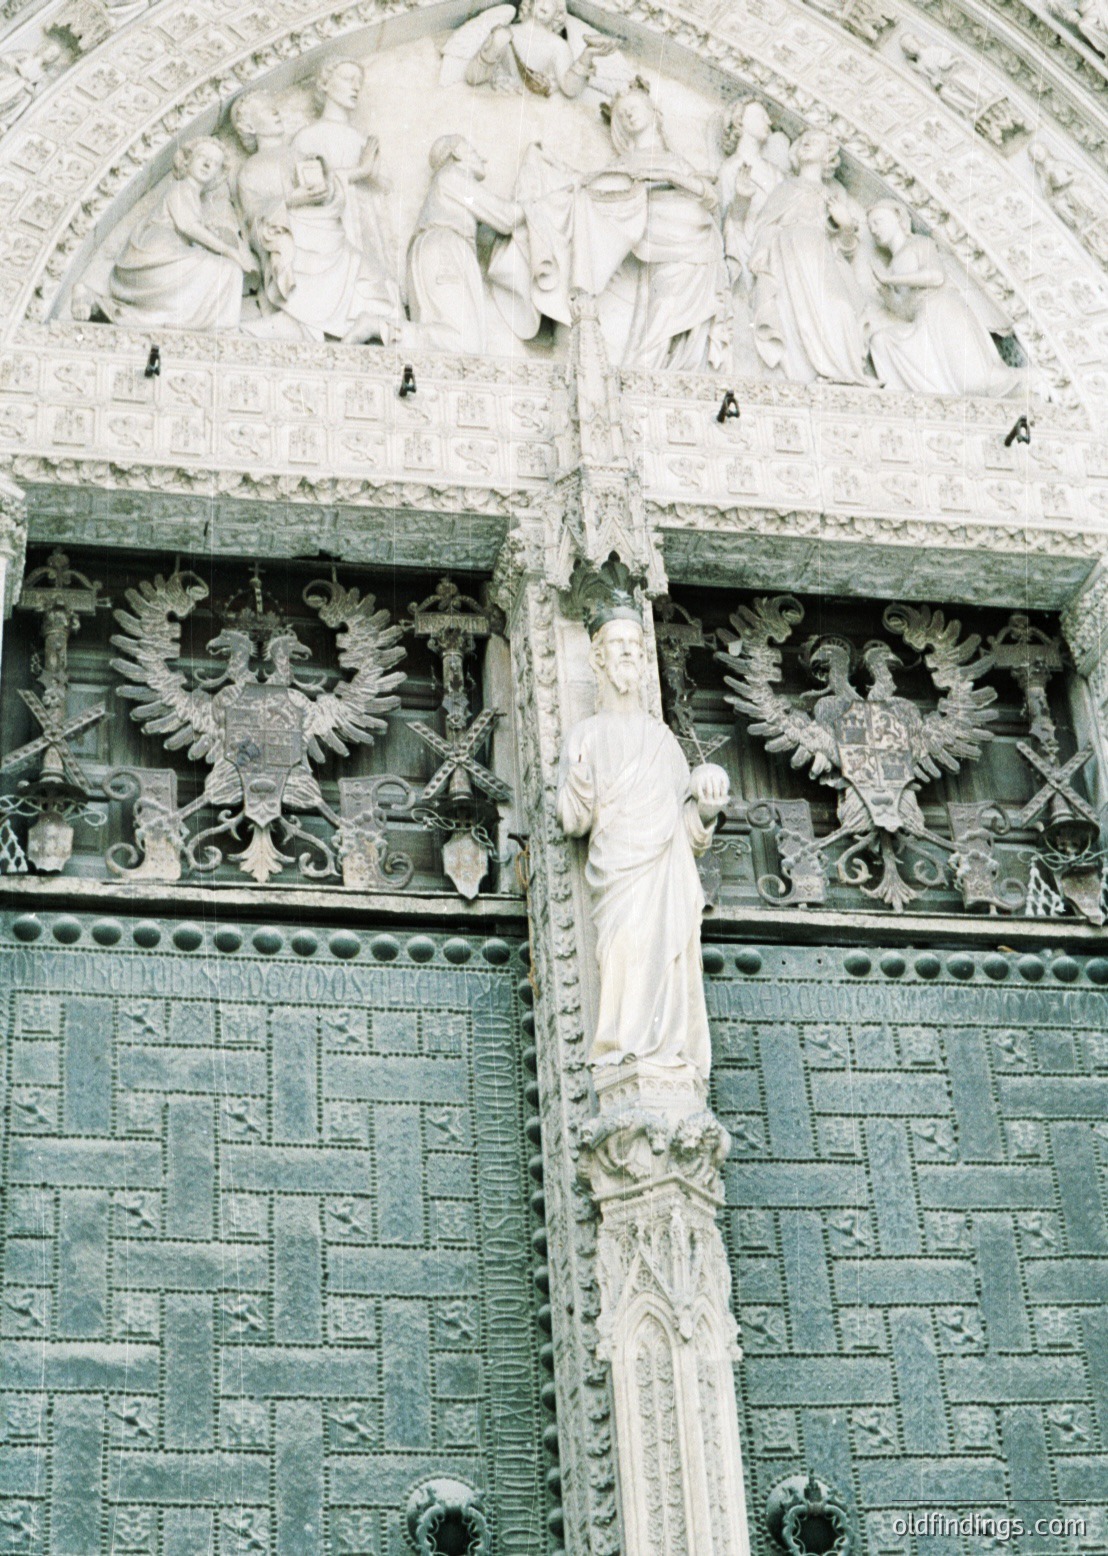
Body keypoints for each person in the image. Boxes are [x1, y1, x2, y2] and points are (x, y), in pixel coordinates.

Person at [556, 589, 730, 1078]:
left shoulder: (662, 739)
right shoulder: (585, 734)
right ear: (597, 657)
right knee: (625, 948)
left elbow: (688, 830)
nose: (630, 651)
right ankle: (625, 1051)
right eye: (618, 643)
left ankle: (663, 1056)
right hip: (618, 874)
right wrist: (580, 778)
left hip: (664, 872)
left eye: (636, 642)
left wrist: (708, 809)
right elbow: (572, 820)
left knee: (665, 958)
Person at [231, 89, 398, 344]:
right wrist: (294, 200)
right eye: (265, 109)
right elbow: (254, 218)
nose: (275, 111)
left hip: (328, 234)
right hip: (295, 241)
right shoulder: (252, 169)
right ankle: (297, 323)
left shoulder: (299, 154)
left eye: (274, 106)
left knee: (371, 275)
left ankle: (351, 327)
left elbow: (331, 181)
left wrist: (356, 173)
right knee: (311, 276)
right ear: (247, 125)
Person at [601, 80, 729, 371]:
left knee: (684, 319)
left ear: (653, 111)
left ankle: (674, 370)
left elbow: (710, 199)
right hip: (660, 245)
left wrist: (671, 176)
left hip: (697, 245)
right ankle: (645, 372)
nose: (629, 115)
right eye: (622, 114)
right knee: (664, 306)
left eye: (634, 108)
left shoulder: (675, 161)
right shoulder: (622, 163)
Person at [748, 127, 869, 384]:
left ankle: (842, 372)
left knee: (842, 309)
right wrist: (762, 251)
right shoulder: (786, 187)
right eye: (803, 140)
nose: (806, 142)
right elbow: (766, 224)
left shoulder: (834, 194)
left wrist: (846, 224)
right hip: (788, 253)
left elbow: (846, 246)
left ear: (828, 156)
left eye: (814, 142)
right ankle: (803, 372)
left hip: (822, 257)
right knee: (793, 312)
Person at [866, 200, 1021, 396]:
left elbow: (936, 276)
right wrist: (887, 295)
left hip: (942, 310)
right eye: (870, 226)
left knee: (974, 382)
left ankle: (1028, 382)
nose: (873, 229)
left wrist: (890, 279)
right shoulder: (892, 264)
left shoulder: (920, 244)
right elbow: (906, 310)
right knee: (881, 341)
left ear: (898, 218)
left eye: (878, 221)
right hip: (922, 321)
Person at [106, 138, 251, 329]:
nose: (208, 164)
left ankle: (165, 318)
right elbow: (187, 226)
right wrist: (229, 251)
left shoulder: (191, 192)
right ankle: (219, 328)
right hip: (157, 251)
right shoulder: (183, 187)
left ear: (218, 173)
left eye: (215, 163)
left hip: (165, 251)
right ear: (186, 161)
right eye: (202, 157)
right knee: (229, 270)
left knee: (227, 270)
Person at [407, 136, 524, 354]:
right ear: (458, 153)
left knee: (466, 348)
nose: (484, 158)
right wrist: (536, 205)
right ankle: (381, 329)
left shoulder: (454, 188)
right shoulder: (453, 178)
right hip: (445, 250)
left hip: (445, 248)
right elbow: (504, 217)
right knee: (463, 344)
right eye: (474, 151)